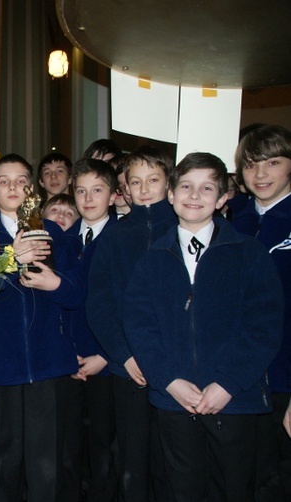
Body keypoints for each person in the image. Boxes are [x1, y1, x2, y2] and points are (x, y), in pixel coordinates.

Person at [124, 152, 283, 500]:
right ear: (170, 194)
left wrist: (228, 382)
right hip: (175, 399)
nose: (194, 196)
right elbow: (140, 326)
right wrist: (169, 381)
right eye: (186, 187)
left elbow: (264, 325)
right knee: (182, 489)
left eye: (207, 188)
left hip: (234, 397)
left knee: (234, 488)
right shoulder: (151, 260)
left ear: (223, 197)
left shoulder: (249, 253)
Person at [0, 154, 82, 501]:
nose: (13, 187)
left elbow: (78, 293)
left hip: (48, 360)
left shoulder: (53, 233)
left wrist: (57, 285)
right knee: (5, 458)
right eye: (4, 181)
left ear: (31, 189)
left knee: (46, 458)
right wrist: (9, 262)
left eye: (21, 181)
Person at [87, 146, 175, 501]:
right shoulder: (115, 236)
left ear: (170, 183)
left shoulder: (187, 229)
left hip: (179, 368)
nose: (144, 188)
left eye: (153, 180)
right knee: (132, 459)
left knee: (173, 461)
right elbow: (100, 304)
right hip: (130, 368)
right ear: (124, 189)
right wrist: (123, 355)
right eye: (136, 182)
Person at [230, 124, 291, 500]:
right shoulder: (233, 224)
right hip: (240, 379)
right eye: (252, 165)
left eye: (273, 162)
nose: (262, 174)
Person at [58, 158, 119, 501]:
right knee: (67, 445)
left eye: (97, 190)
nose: (88, 198)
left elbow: (130, 306)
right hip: (68, 359)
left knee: (103, 448)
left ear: (113, 195)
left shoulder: (124, 240)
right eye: (80, 191)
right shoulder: (62, 240)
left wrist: (106, 356)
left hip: (105, 361)